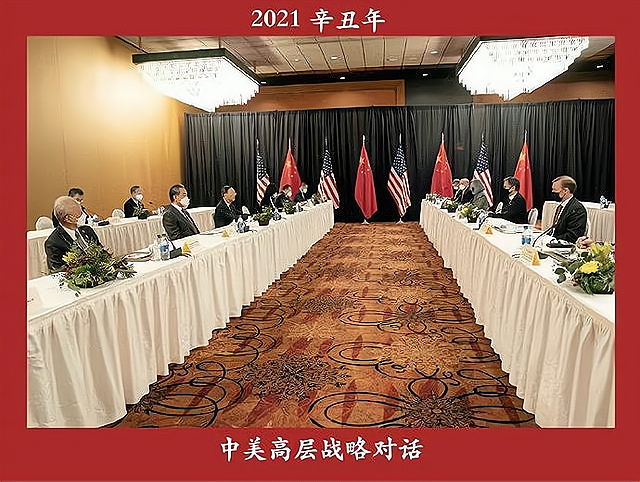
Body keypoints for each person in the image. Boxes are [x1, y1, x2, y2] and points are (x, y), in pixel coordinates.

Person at [45, 196, 102, 271]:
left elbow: (101, 251)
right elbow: (57, 270)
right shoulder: (53, 243)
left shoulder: (88, 230)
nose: (84, 216)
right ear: (68, 219)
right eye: (79, 214)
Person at [550, 175, 587, 244]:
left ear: (565, 191)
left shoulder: (577, 209)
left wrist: (552, 240)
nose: (552, 192)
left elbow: (572, 236)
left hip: (564, 246)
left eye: (555, 190)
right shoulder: (561, 206)